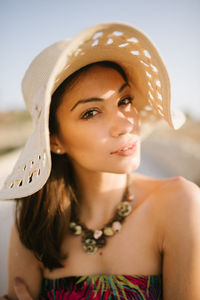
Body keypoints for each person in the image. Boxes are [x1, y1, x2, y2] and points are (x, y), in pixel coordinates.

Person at [0, 22, 200, 300]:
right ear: (54, 140)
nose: (124, 124)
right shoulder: (35, 224)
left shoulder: (180, 203)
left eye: (124, 100)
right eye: (91, 112)